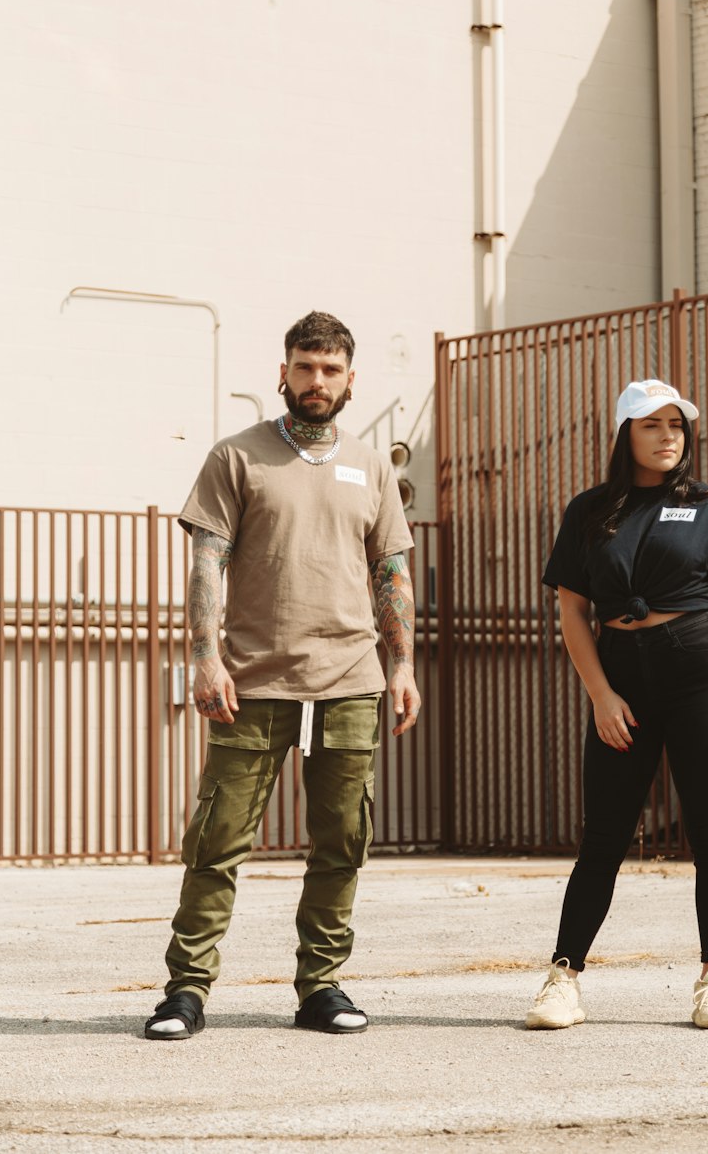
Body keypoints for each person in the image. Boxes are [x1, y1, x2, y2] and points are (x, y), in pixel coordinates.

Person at [144, 310, 420, 1041]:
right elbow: (207, 564)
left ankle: (321, 986)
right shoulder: (237, 458)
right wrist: (204, 657)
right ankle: (186, 990)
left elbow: (391, 571)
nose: (316, 380)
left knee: (342, 841)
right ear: (283, 373)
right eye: (305, 366)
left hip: (351, 682)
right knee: (216, 842)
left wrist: (402, 666)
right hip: (253, 683)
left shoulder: (372, 466)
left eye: (330, 370)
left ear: (350, 381)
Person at [525, 379, 708, 1032]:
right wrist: (601, 695)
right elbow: (572, 610)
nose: (667, 437)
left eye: (676, 426)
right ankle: (563, 979)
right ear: (626, 433)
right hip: (620, 675)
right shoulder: (591, 510)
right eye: (651, 425)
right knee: (602, 838)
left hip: (698, 668)